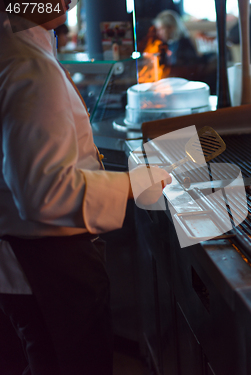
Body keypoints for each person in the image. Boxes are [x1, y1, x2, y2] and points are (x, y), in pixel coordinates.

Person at [0, 1, 170, 374]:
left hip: (27, 260)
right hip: (48, 264)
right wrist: (136, 183)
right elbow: (44, 193)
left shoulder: (17, 46)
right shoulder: (30, 68)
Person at [139, 10, 200, 80]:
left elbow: (187, 70)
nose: (159, 33)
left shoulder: (184, 45)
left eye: (161, 29)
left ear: (171, 28)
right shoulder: (166, 44)